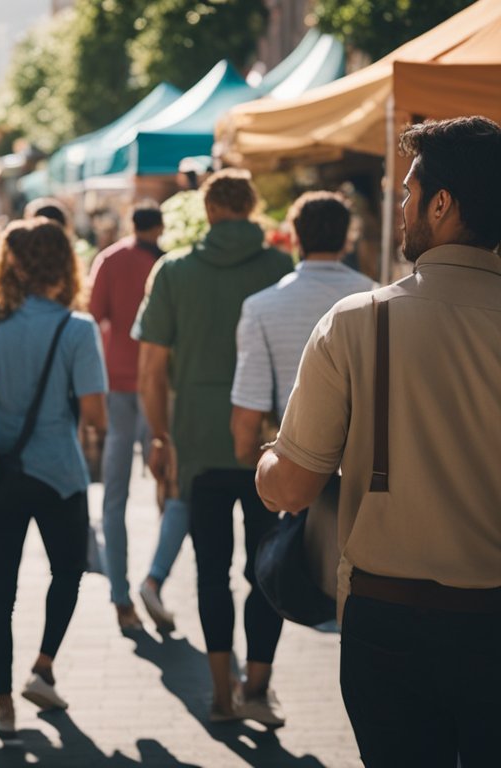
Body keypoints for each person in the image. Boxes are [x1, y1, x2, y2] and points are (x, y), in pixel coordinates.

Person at [256, 117, 501, 767]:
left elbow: (294, 487)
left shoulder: (360, 322)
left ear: (442, 204)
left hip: (388, 625)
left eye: (410, 190)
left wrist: (266, 458)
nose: (399, 203)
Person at [134, 168, 292, 724]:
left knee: (211, 572)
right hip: (267, 444)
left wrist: (158, 436)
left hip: (198, 441)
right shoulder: (279, 268)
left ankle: (221, 694)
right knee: (266, 568)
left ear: (206, 211)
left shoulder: (174, 270)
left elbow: (150, 370)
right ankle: (258, 686)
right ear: (251, 208)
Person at [0, 219, 107, 737]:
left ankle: (3, 707)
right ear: (64, 264)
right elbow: (95, 416)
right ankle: (42, 668)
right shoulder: (77, 329)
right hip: (60, 474)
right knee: (68, 571)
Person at [231, 192, 374, 604]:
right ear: (346, 239)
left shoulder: (262, 306)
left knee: (269, 586)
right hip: (362, 473)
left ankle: (257, 670)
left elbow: (251, 403)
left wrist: (252, 461)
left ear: (294, 236)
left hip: (288, 464)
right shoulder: (378, 300)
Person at [87, 203, 188, 633]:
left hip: (115, 385)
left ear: (131, 225)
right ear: (159, 226)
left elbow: (93, 318)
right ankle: (155, 578)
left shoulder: (109, 260)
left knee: (114, 494)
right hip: (157, 389)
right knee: (170, 485)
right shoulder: (168, 265)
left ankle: (120, 597)